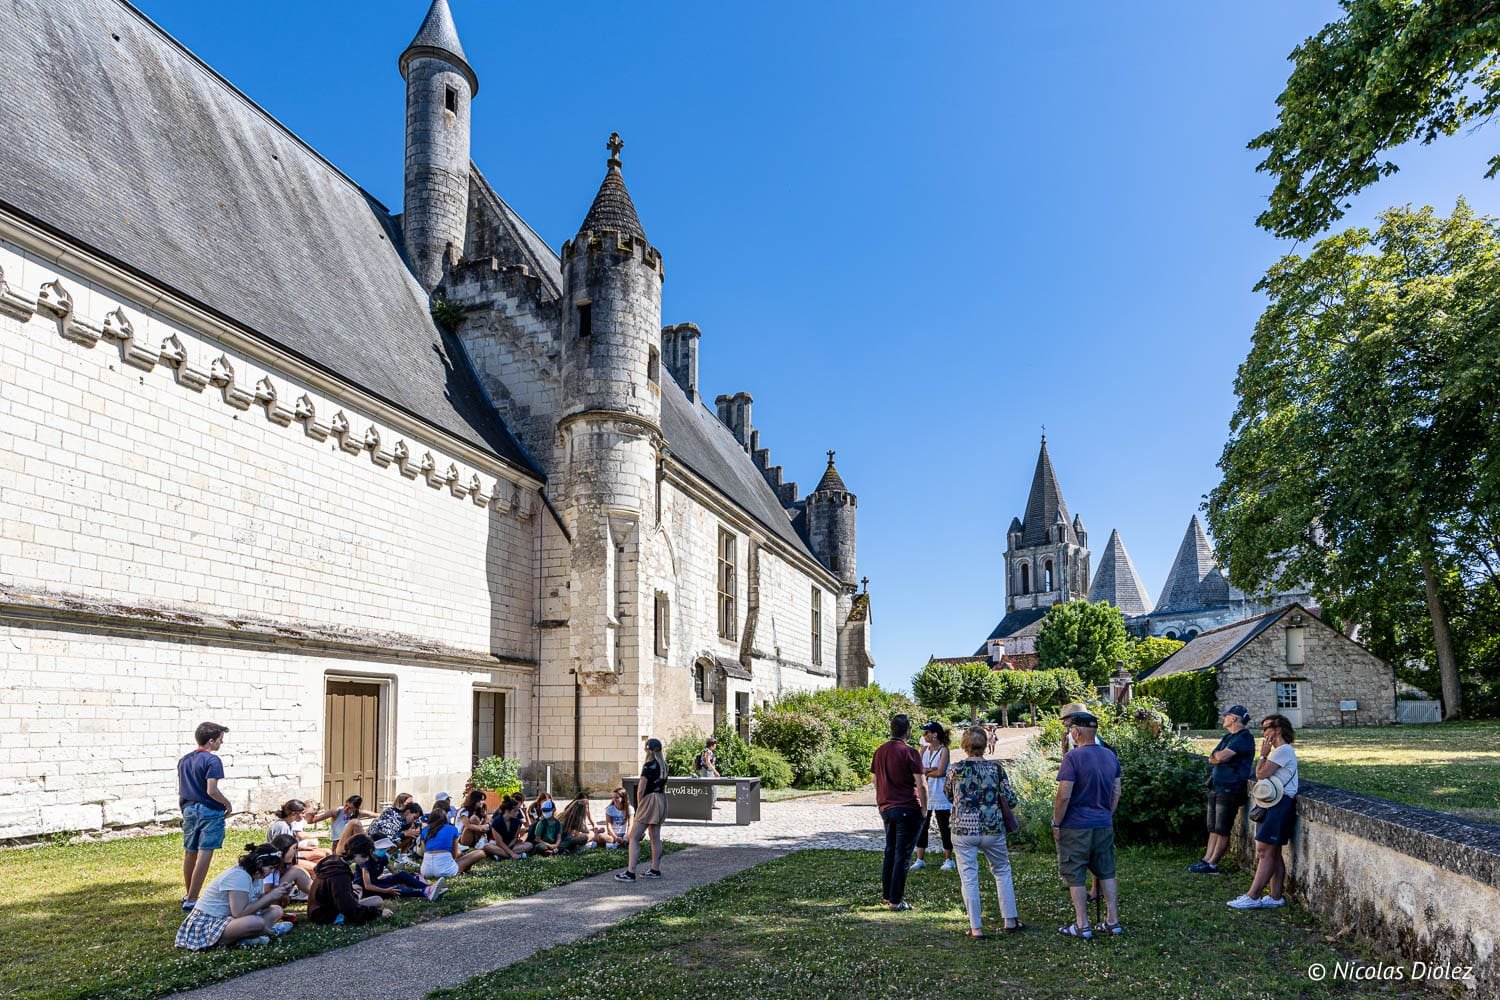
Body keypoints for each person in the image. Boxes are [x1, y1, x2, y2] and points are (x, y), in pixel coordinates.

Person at [946, 726, 1023, 937]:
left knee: (969, 876)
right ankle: (1009, 920)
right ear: (985, 744)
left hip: (963, 829)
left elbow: (949, 795)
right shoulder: (996, 769)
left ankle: (976, 928)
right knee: (1002, 871)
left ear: (964, 745)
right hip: (992, 828)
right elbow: (1011, 799)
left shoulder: (955, 769)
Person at [1053, 712, 1123, 939]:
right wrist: (1106, 814)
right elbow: (1116, 792)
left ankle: (1082, 925)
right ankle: (1113, 921)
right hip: (1103, 823)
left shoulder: (1072, 758)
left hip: (1076, 824)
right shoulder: (1110, 756)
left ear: (1077, 732)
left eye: (1070, 729)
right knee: (1107, 871)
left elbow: (1064, 795)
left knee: (1075, 873)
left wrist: (1057, 822)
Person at [1229, 714, 1299, 910]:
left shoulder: (1283, 751)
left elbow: (1260, 773)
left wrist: (1262, 754)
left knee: (1264, 851)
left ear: (1277, 730)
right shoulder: (1281, 752)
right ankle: (1276, 897)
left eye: (1267, 727)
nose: (1263, 732)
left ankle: (1253, 896)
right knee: (1272, 852)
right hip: (1274, 802)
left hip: (1279, 803)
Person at [175, 841, 293, 950]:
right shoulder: (239, 876)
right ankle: (269, 932)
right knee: (256, 922)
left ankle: (248, 938)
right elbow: (239, 913)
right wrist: (270, 896)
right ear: (259, 863)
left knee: (276, 910)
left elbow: (258, 903)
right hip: (209, 923)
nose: (271, 872)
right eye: (270, 868)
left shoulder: (256, 874)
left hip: (229, 919)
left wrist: (279, 893)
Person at [1190, 706, 1256, 875]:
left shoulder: (1244, 738)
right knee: (1212, 826)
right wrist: (1217, 757)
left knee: (1222, 827)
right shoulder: (1228, 737)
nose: (1224, 717)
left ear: (1234, 718)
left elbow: (1221, 757)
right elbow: (1212, 757)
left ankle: (1213, 863)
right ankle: (1206, 860)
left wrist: (1218, 757)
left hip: (1230, 788)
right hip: (1216, 786)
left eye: (1227, 715)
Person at [872, 713, 926, 911]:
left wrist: (880, 802)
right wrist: (924, 809)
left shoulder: (880, 751)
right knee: (902, 854)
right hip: (907, 806)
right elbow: (921, 784)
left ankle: (887, 895)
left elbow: (876, 781)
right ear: (908, 731)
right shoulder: (910, 753)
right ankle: (896, 900)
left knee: (890, 851)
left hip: (887, 807)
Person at [178, 721, 232, 913]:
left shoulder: (184, 760)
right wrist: (227, 803)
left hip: (189, 808)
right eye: (220, 740)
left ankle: (189, 894)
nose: (221, 744)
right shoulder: (212, 760)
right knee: (205, 851)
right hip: (208, 809)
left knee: (190, 851)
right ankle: (193, 898)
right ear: (211, 741)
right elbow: (211, 790)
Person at [308, 834, 392, 926]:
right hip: (326, 915)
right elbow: (347, 908)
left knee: (377, 900)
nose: (367, 859)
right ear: (355, 853)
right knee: (375, 901)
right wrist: (378, 913)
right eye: (365, 856)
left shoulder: (335, 861)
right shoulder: (339, 874)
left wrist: (350, 890)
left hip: (317, 909)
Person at [615, 737, 668, 882]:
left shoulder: (648, 766)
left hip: (649, 800)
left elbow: (641, 789)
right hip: (661, 799)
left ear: (649, 750)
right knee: (655, 836)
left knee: (634, 836)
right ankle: (655, 869)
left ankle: (630, 872)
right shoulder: (664, 765)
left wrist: (640, 807)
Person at [911, 721, 954, 872]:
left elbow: (941, 772)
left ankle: (949, 859)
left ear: (935, 734)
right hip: (926, 794)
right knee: (922, 826)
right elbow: (916, 769)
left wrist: (925, 771)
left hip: (940, 794)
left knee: (944, 827)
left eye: (926, 733)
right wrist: (930, 770)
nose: (924, 736)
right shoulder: (924, 750)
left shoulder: (944, 750)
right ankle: (919, 858)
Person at [419, 807, 487, 879]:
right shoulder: (452, 829)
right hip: (445, 870)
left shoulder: (425, 830)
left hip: (425, 871)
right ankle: (462, 868)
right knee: (480, 853)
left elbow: (424, 852)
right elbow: (454, 854)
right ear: (445, 818)